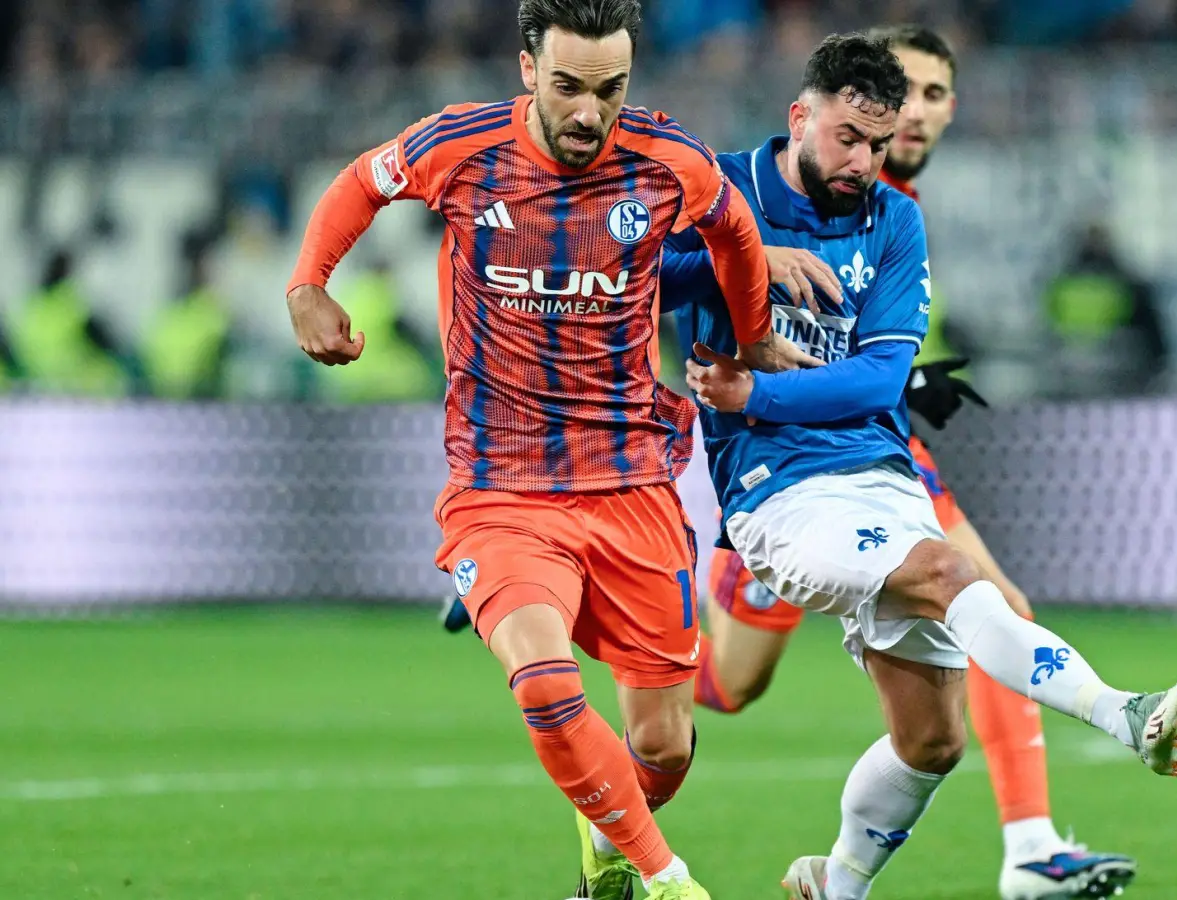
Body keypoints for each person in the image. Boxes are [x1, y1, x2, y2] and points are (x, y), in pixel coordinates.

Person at [283, 2, 805, 898]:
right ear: (528, 69)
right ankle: (671, 881)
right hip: (500, 488)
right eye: (567, 86)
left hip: (634, 486)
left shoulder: (666, 159)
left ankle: (602, 838)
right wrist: (306, 286)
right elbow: (360, 184)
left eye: (610, 90)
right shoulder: (459, 147)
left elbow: (734, 232)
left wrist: (754, 339)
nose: (588, 113)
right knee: (544, 681)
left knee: (661, 746)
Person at [672, 32, 1177, 900]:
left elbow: (879, 376)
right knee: (939, 585)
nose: (866, 159)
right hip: (779, 488)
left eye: (881, 141)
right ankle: (1122, 716)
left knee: (932, 740)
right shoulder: (724, 187)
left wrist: (758, 393)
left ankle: (837, 883)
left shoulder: (896, 216)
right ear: (800, 116)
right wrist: (742, 259)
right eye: (850, 137)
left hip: (880, 467)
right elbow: (630, 271)